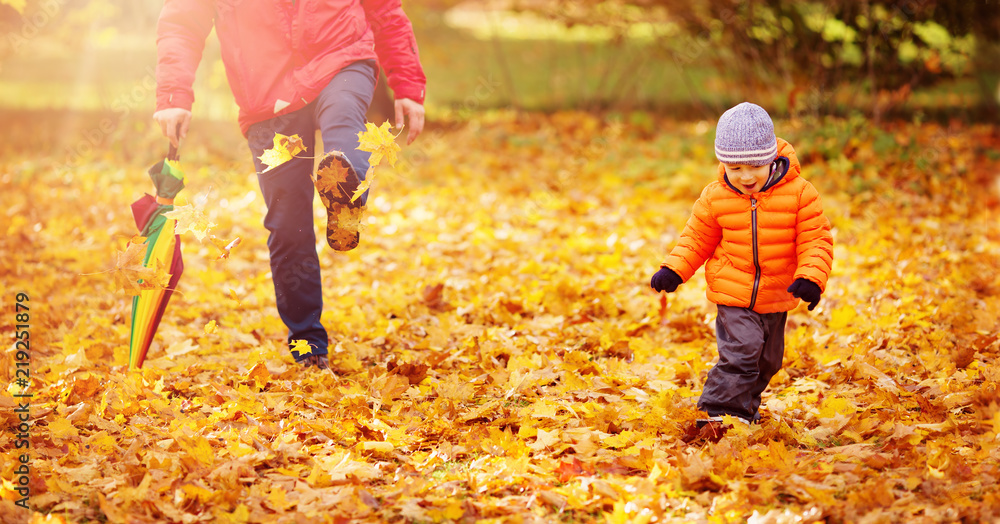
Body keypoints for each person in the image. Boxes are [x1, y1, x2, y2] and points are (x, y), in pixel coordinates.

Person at [152, 0, 427, 371]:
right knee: (288, 222)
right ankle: (307, 345)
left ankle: (347, 193)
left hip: (341, 60)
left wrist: (408, 85)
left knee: (344, 122)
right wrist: (173, 94)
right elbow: (183, 22)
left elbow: (385, 12)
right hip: (268, 95)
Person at [650, 102, 833, 426]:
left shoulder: (801, 194)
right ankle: (719, 413)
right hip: (733, 291)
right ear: (723, 164)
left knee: (768, 361)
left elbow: (815, 239)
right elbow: (696, 238)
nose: (745, 176)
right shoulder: (715, 197)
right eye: (735, 168)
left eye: (753, 167)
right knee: (743, 350)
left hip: (777, 294)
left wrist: (811, 278)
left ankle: (744, 409)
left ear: (770, 159)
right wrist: (674, 270)